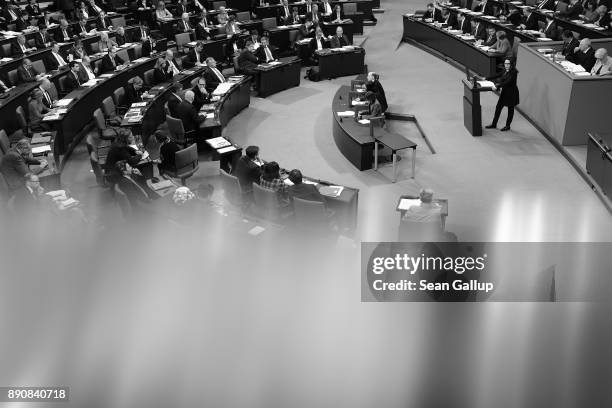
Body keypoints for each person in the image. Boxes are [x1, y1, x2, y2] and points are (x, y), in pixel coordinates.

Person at [485, 58, 519, 131]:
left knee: (510, 109)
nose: (506, 65)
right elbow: (498, 75)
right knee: (498, 107)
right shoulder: (504, 70)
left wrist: (497, 86)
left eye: (508, 64)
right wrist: (487, 78)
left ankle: (507, 126)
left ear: (511, 64)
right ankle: (494, 124)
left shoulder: (514, 72)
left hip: (512, 93)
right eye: (505, 63)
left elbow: (507, 82)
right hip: (505, 92)